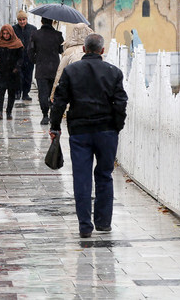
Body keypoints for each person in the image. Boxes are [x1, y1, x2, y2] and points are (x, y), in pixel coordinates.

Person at [49, 33, 128, 238]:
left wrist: (55, 126)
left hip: (80, 131)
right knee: (104, 176)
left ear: (84, 49)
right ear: (102, 51)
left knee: (82, 178)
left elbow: (59, 101)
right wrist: (116, 127)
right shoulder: (114, 73)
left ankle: (85, 225)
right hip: (106, 131)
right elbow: (120, 103)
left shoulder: (71, 71)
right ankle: (103, 223)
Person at [28, 17, 64, 125]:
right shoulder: (58, 35)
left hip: (41, 69)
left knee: (43, 93)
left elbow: (30, 51)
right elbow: (61, 50)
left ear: (41, 21)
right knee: (54, 93)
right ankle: (53, 113)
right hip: (54, 69)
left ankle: (45, 115)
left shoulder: (35, 35)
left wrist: (35, 60)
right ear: (53, 22)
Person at [50, 23, 94, 101]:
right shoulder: (92, 51)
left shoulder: (68, 52)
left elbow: (59, 74)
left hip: (73, 87)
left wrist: (53, 93)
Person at [0, 24, 23, 120]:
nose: (5, 36)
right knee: (1, 92)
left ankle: (9, 112)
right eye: (4, 34)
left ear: (11, 34)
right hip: (1, 72)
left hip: (13, 73)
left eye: (7, 34)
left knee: (11, 93)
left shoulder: (17, 44)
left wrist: (17, 67)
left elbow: (21, 58)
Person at [12, 10, 37, 101]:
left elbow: (35, 42)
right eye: (20, 20)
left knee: (28, 76)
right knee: (18, 75)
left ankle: (26, 93)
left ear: (26, 19)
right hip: (17, 57)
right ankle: (17, 92)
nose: (22, 22)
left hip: (29, 56)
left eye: (24, 19)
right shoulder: (13, 29)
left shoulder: (32, 29)